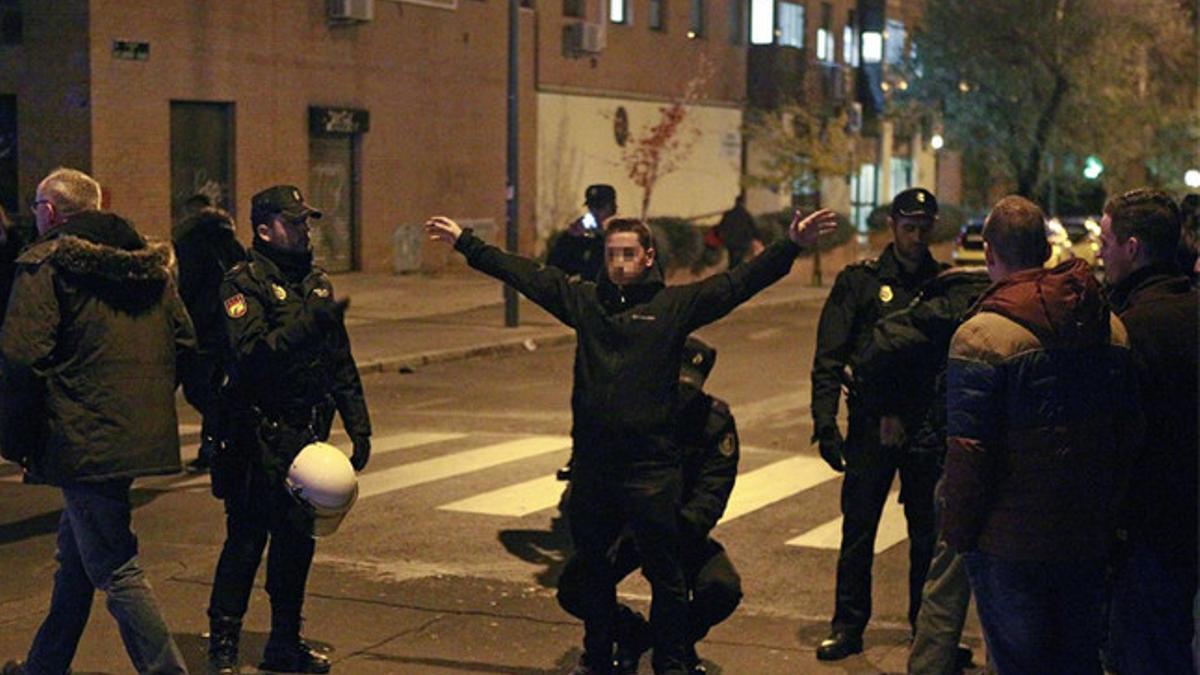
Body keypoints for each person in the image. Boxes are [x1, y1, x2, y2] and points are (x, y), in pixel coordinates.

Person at [425, 208, 836, 675]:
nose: (618, 262)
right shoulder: (585, 302)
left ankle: (671, 662)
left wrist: (791, 245)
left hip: (650, 473)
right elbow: (527, 276)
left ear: (647, 258)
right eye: (611, 253)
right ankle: (598, 658)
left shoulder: (671, 307)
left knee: (668, 578)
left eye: (628, 254)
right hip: (596, 471)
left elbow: (736, 285)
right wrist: (466, 242)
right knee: (595, 575)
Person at [0, 167, 193, 674]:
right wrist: (138, 407)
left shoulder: (46, 264)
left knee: (116, 566)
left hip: (80, 437)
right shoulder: (149, 266)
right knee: (76, 558)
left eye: (38, 207)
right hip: (129, 437)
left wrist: (19, 436)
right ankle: (45, 665)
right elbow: (185, 342)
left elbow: (21, 356)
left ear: (51, 212)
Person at [939, 195, 1141, 675]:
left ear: (990, 253)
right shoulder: (1107, 325)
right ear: (1046, 249)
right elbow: (1126, 431)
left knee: (1019, 662)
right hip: (1085, 532)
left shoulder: (982, 336)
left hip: (1010, 541)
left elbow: (970, 453)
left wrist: (960, 535)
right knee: (1078, 659)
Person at [206, 185, 372, 675]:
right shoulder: (242, 283)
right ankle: (224, 650)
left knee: (297, 543)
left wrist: (358, 422)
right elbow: (253, 354)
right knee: (246, 541)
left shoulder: (316, 282)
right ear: (264, 228)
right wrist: (309, 326)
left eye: (306, 221)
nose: (304, 229)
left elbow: (339, 358)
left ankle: (283, 643)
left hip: (305, 436)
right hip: (256, 437)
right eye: (294, 221)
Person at [809, 187, 947, 660]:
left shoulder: (939, 283)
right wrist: (824, 421)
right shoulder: (861, 282)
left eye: (924, 225)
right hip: (871, 424)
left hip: (924, 426)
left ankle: (926, 632)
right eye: (909, 225)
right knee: (859, 530)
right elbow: (830, 355)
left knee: (927, 534)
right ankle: (847, 626)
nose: (917, 233)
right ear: (892, 224)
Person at [556, 336, 742, 675]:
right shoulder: (630, 411)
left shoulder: (714, 422)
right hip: (627, 526)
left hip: (679, 530)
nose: (682, 392)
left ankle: (678, 644)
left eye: (690, 385)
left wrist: (675, 532)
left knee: (721, 588)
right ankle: (631, 633)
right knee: (575, 585)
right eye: (676, 382)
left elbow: (713, 492)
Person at [846, 264, 991, 675]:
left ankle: (928, 652)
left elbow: (879, 351)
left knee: (938, 560)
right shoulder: (978, 309)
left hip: (940, 443)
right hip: (948, 443)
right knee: (959, 564)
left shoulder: (937, 308)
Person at [1098, 188, 1197, 675]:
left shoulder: (1126, 329)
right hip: (1186, 519)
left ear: (1132, 248)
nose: (1099, 251)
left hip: (1149, 528)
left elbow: (1115, 437)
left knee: (1144, 653)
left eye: (1106, 240)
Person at [173, 195, 246, 472]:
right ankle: (213, 446)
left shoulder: (190, 245)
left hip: (200, 329)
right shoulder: (232, 244)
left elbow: (184, 289)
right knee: (214, 387)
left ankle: (217, 439)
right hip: (230, 327)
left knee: (198, 389)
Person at [547, 184, 615, 281]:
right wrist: (570, 238)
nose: (594, 212)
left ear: (611, 208)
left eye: (600, 207)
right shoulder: (588, 239)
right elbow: (557, 268)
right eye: (591, 207)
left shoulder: (622, 233)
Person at [712, 195, 762, 268]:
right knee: (739, 260)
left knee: (732, 259)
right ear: (743, 203)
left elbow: (722, 226)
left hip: (731, 242)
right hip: (743, 242)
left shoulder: (729, 214)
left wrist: (720, 235)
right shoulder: (746, 215)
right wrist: (758, 238)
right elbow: (754, 228)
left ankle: (732, 272)